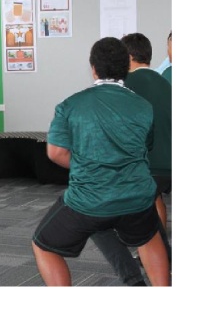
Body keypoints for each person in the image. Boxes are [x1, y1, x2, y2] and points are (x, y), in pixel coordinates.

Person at [31, 37, 169, 287]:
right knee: (150, 238)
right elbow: (144, 148)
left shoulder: (70, 105)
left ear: (93, 68)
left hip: (89, 200)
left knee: (43, 245)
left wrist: (89, 166)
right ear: (125, 68)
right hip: (135, 197)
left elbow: (56, 153)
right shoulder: (143, 106)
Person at [91, 32, 173, 286]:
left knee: (100, 217)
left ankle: (136, 278)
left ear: (127, 57)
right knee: (147, 213)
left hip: (144, 168)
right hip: (170, 164)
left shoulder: (125, 86)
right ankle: (164, 261)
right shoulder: (165, 82)